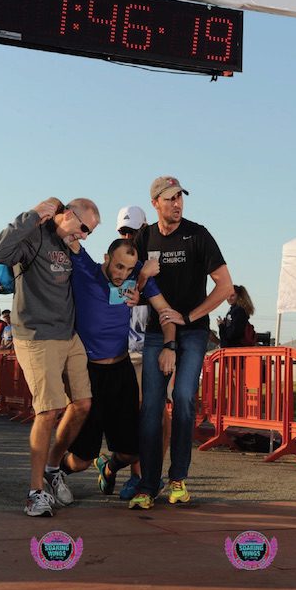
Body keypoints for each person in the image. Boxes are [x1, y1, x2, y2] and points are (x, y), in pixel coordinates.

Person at [0, 197, 99, 517]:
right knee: (48, 411)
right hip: (37, 335)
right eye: (83, 228)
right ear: (68, 215)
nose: (85, 235)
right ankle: (34, 492)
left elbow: (94, 277)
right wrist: (33, 215)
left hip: (68, 334)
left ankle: (52, 469)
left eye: (90, 232)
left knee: (82, 404)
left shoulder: (69, 245)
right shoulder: (34, 235)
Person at [130, 176, 234, 510]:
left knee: (186, 397)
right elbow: (122, 293)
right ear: (155, 203)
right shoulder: (143, 237)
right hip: (154, 332)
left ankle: (178, 478)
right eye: (170, 198)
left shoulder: (198, 235)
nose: (177, 203)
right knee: (150, 409)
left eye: (180, 198)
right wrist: (144, 275)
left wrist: (188, 317)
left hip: (192, 331)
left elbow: (224, 286)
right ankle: (147, 484)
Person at [60, 238, 176, 499]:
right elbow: (69, 235)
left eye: (129, 269)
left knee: (132, 451)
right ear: (106, 258)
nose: (123, 274)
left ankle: (109, 466)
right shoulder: (86, 269)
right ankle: (54, 471)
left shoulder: (137, 279)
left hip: (120, 371)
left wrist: (170, 343)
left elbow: (164, 310)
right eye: (119, 267)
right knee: (80, 460)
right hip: (88, 372)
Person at [116, 205, 169, 500]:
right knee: (139, 416)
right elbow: (116, 300)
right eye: (123, 231)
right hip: (127, 351)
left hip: (155, 345)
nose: (127, 236)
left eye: (132, 231)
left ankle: (149, 474)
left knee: (160, 416)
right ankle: (136, 475)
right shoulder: (116, 263)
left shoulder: (157, 261)